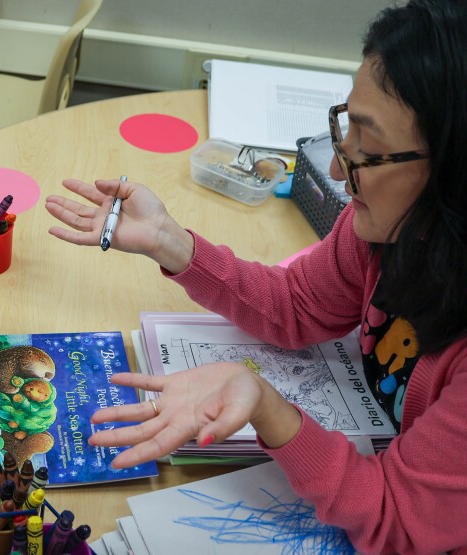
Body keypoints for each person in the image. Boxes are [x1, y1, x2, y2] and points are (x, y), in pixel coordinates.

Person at [45, 1, 467, 553]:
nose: (337, 169)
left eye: (369, 149)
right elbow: (297, 304)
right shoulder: (385, 228)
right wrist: (173, 243)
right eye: (345, 129)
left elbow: (397, 522)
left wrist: (270, 409)